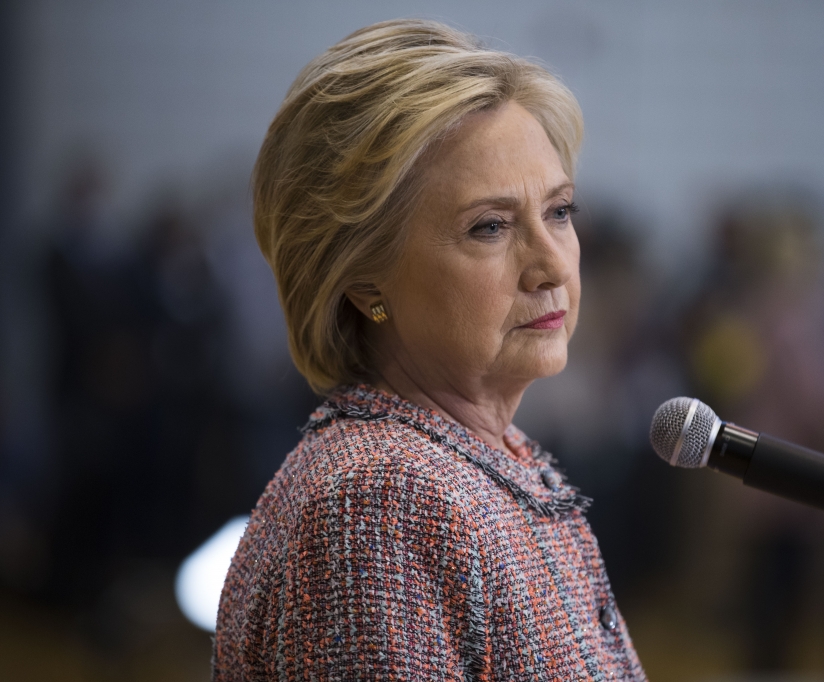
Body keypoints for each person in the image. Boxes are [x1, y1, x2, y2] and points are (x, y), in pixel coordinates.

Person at [212, 19, 647, 680]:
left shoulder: (479, 463)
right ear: (361, 280)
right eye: (490, 227)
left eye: (560, 212)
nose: (551, 265)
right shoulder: (377, 503)